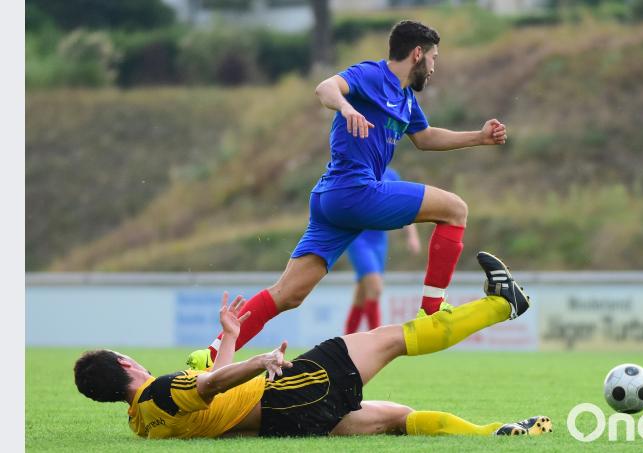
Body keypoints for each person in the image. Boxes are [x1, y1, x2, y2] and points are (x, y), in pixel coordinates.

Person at [192, 19, 515, 365]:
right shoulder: (372, 74)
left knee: (288, 294)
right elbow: (324, 88)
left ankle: (210, 354)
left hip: (332, 200)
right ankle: (432, 309)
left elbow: (424, 138)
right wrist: (346, 107)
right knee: (455, 209)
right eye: (434, 58)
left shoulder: (406, 99)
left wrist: (479, 137)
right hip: (355, 191)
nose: (434, 67)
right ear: (417, 54)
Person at [74, 252, 549, 439]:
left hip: (283, 421)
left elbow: (212, 400)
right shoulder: (160, 389)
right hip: (288, 390)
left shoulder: (142, 422)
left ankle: (493, 435)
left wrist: (231, 338)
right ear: (125, 362)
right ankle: (502, 304)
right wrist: (259, 361)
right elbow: (212, 384)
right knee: (390, 339)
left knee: (396, 417)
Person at [343, 167, 421, 334]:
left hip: (379, 240)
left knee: (362, 294)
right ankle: (376, 340)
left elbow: (405, 205)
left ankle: (345, 341)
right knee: (375, 288)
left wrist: (412, 236)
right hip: (358, 238)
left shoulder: (391, 174)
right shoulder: (356, 168)